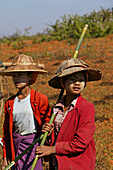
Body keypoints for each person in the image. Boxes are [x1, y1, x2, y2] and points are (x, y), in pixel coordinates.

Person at [35, 58, 102, 170]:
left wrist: (52, 149)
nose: (77, 83)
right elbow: (56, 137)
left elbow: (80, 143)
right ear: (63, 83)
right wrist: (48, 133)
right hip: (58, 163)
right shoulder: (56, 109)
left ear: (85, 83)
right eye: (72, 79)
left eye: (81, 80)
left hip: (78, 164)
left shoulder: (86, 107)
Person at [1, 54, 51, 170]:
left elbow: (47, 122)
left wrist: (47, 129)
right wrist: (5, 157)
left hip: (33, 146)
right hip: (16, 147)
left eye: (20, 75)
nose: (16, 79)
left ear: (30, 76)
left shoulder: (39, 99)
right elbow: (7, 133)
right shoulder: (9, 103)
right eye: (14, 75)